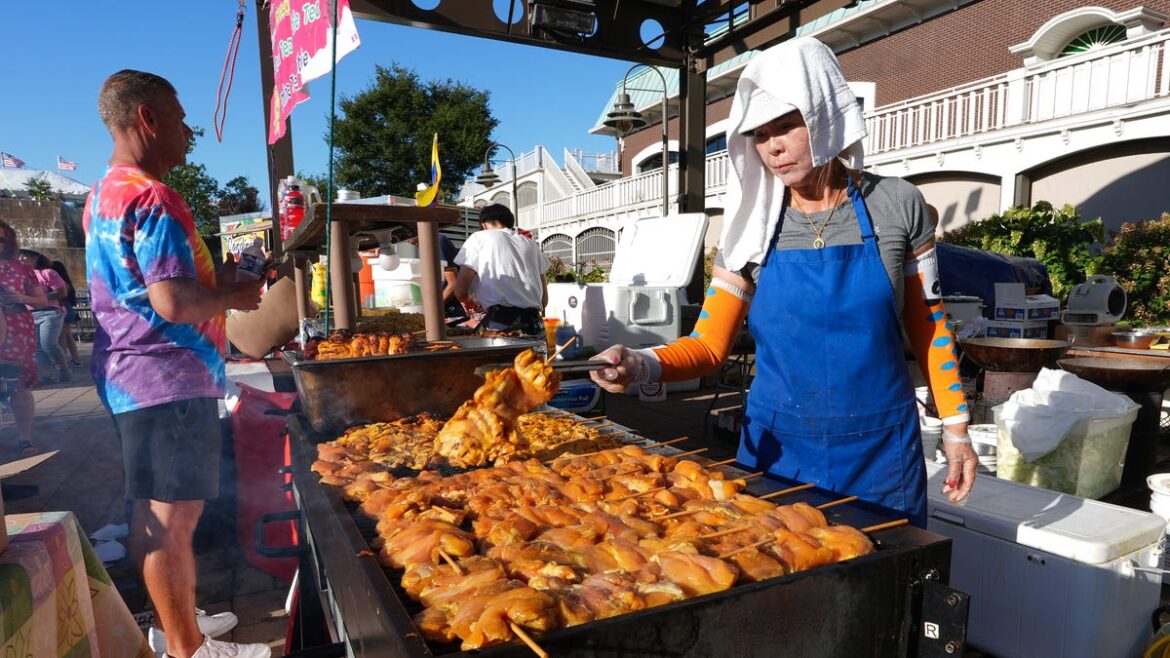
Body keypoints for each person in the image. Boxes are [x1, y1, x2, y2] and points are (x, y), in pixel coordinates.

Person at [590, 38, 978, 526]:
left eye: (786, 126)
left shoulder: (898, 204)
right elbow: (709, 347)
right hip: (778, 449)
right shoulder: (751, 225)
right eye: (759, 133)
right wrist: (641, 362)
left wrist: (957, 429)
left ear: (823, 115)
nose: (772, 147)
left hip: (878, 448)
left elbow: (930, 325)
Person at [84, 69, 268, 658]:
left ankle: (174, 623)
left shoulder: (103, 193)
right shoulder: (154, 194)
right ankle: (189, 649)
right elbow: (172, 300)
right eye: (183, 118)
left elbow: (145, 287)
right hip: (167, 378)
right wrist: (233, 298)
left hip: (129, 376)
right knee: (174, 520)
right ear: (148, 119)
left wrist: (219, 283)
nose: (191, 132)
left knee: (151, 512)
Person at [453, 203, 548, 337]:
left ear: (484, 224)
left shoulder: (478, 238)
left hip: (501, 325)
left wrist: (470, 302)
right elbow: (544, 301)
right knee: (535, 358)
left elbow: (460, 291)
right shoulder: (531, 244)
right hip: (535, 326)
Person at [0, 222, 48, 456]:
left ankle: (25, 438)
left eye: (1, 240)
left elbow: (42, 301)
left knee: (18, 385)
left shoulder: (22, 269)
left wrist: (20, 296)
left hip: (17, 329)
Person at [18, 250, 71, 384]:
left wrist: (41, 298)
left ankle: (63, 368)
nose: (21, 258)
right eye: (19, 256)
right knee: (37, 348)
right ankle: (46, 375)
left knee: (48, 344)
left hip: (50, 312)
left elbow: (62, 292)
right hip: (30, 314)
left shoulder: (48, 273)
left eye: (25, 255)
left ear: (35, 258)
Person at [50, 260, 82, 366]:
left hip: (62, 310)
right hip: (68, 310)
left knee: (62, 338)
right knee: (68, 338)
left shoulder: (60, 283)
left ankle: (62, 362)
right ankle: (76, 360)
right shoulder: (66, 282)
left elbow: (60, 297)